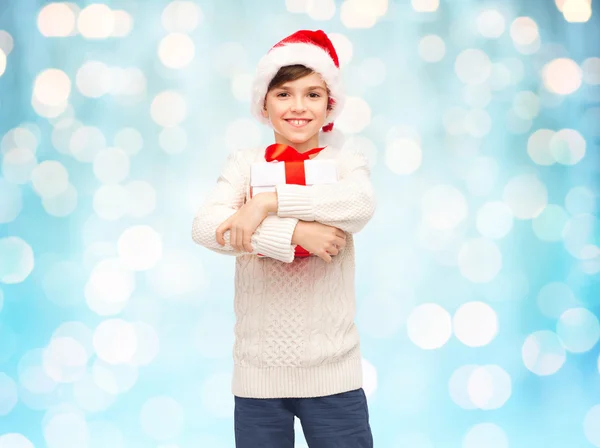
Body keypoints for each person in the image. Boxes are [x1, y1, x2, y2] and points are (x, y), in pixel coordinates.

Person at [192, 29, 376, 448]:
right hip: (258, 376)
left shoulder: (346, 162)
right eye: (284, 94)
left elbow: (359, 206)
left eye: (313, 95)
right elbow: (206, 227)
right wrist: (295, 232)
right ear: (263, 102)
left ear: (330, 104)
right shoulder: (243, 164)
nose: (298, 107)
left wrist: (266, 203)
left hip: (333, 373)